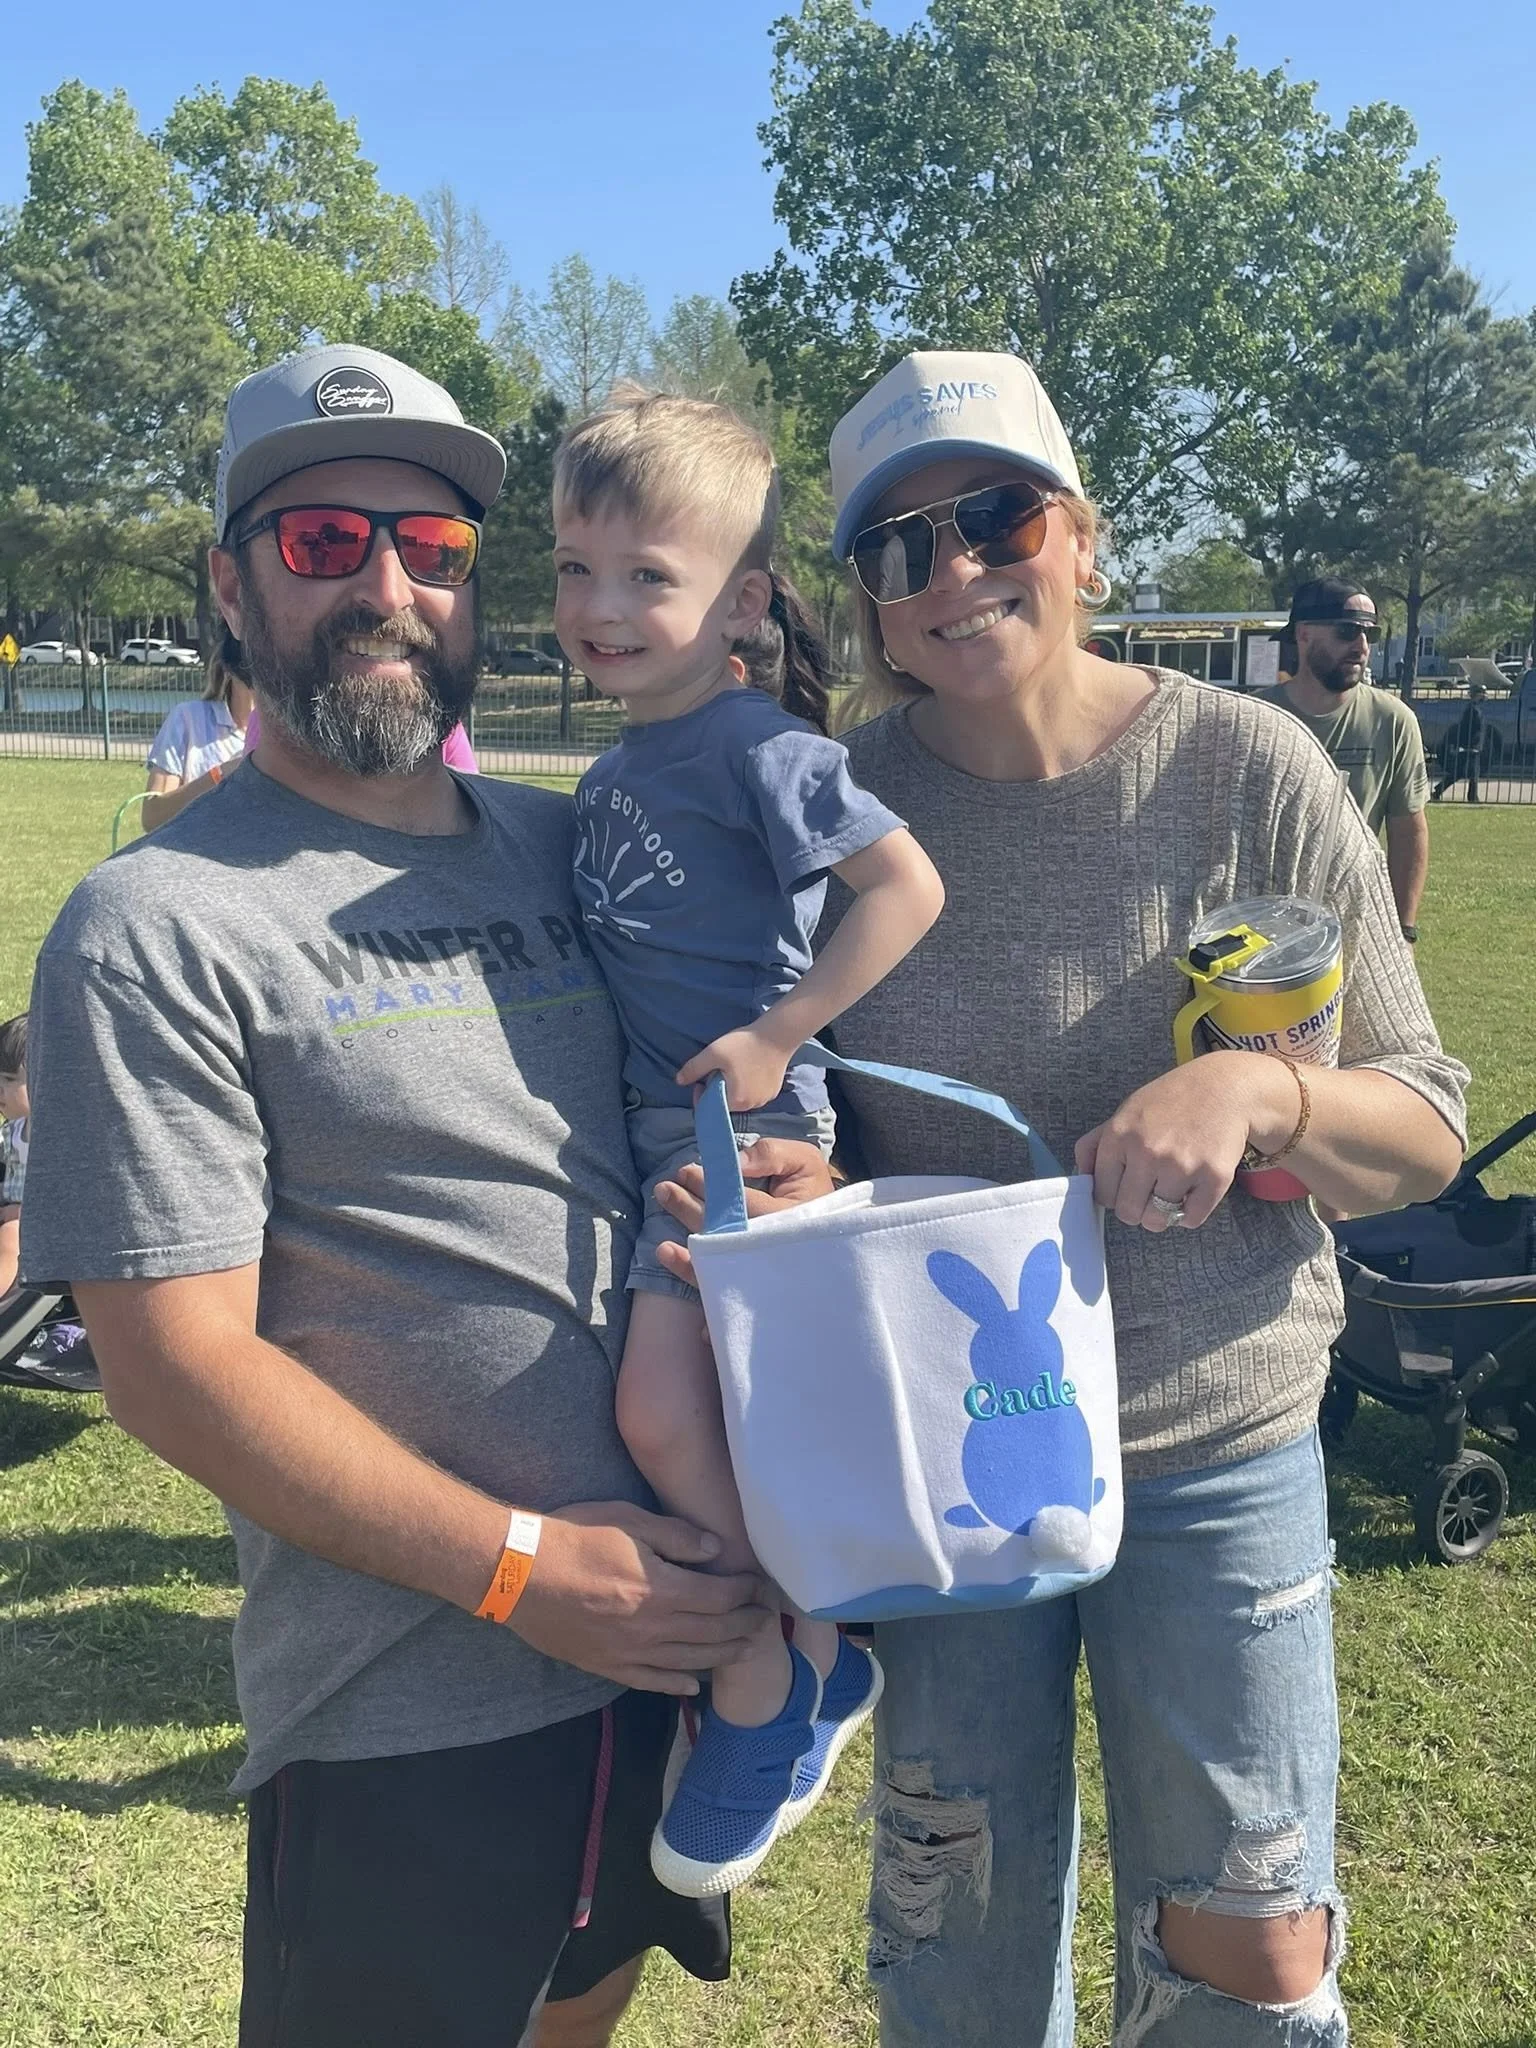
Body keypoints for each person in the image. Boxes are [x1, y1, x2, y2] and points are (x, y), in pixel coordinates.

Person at [661, 348, 1465, 2048]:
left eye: (996, 517)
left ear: (1082, 539)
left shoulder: (1254, 767)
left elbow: (1421, 1132)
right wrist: (807, 1179)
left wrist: (1264, 1090)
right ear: (873, 607)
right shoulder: (834, 811)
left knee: (1251, 1949)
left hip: (1217, 1447)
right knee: (955, 1947)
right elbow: (802, 1106)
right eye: (900, 547)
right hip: (940, 1484)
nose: (954, 568)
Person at [18, 342, 817, 2048]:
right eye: (324, 542)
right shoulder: (157, 923)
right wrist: (526, 1568)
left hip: (677, 1638)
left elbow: (710, 1078)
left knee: (585, 2012)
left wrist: (780, 1174)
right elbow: (171, 1366)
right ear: (229, 586)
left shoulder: (580, 843)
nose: (388, 587)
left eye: (433, 547)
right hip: (409, 1698)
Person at [554, 388, 944, 1897]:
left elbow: (905, 891)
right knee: (697, 1425)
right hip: (651, 1137)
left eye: (646, 574)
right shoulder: (610, 773)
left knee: (664, 1418)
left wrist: (783, 1037)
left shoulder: (759, 748)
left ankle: (775, 1670)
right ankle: (814, 1653)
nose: (600, 607)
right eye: (576, 568)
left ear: (744, 601)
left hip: (742, 1129)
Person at [1251, 579, 1431, 943]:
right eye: (1347, 632)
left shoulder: (1392, 720)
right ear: (1303, 634)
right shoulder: (1255, 717)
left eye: (1370, 634)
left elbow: (1408, 832)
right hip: (1263, 926)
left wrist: (1403, 932)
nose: (1361, 646)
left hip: (1354, 924)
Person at [141, 644, 254, 831]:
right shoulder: (188, 719)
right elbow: (152, 817)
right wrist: (220, 775)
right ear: (229, 665)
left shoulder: (289, 734)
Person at [0, 1014, 28, 1298]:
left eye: (8, 1081)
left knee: (11, 1234)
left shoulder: (54, 1139)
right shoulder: (11, 1132)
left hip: (31, 1223)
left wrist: (20, 1212)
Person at [1430, 679, 1486, 803]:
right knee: (1470, 773)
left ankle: (1439, 791)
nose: (1484, 696)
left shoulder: (1475, 709)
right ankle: (1472, 798)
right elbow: (1467, 728)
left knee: (1461, 772)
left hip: (1473, 746)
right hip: (1470, 746)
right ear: (1476, 695)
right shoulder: (1472, 710)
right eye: (1482, 694)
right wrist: (1468, 745)